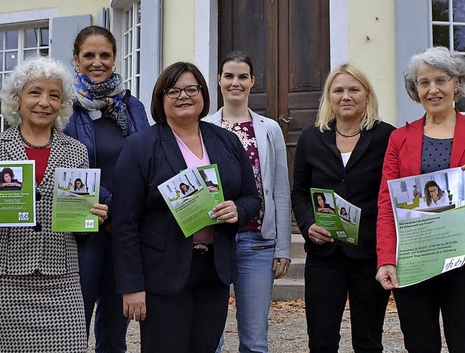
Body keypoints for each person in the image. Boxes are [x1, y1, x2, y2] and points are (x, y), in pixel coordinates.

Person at [112, 61, 261, 353]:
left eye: (191, 89)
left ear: (203, 94)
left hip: (213, 271)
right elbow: (124, 222)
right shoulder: (141, 146)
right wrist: (131, 285)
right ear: (160, 98)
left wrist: (237, 211)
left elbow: (251, 198)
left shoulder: (226, 141)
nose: (184, 96)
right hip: (162, 274)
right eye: (173, 90)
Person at [0, 57, 108, 352]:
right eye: (35, 92)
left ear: (62, 103)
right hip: (4, 281)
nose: (44, 102)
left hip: (62, 279)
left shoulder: (76, 151)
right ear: (17, 99)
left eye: (54, 95)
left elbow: (79, 229)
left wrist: (91, 218)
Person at [376, 46, 465, 352]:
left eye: (441, 80)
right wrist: (386, 258)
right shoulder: (400, 138)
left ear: (457, 83)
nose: (433, 89)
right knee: (420, 344)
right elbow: (387, 203)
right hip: (415, 260)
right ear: (415, 89)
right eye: (424, 82)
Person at [291, 63, 394, 352]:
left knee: (368, 340)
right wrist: (308, 224)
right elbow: (299, 192)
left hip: (369, 252)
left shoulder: (387, 137)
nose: (346, 96)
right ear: (329, 97)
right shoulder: (312, 137)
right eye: (338, 90)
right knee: (322, 340)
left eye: (354, 89)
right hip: (325, 256)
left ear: (367, 95)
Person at [64, 25, 149, 352]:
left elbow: (147, 160)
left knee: (115, 333)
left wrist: (123, 212)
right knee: (74, 326)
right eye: (89, 55)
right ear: (76, 59)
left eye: (105, 55)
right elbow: (67, 165)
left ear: (114, 59)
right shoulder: (65, 107)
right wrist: (110, 206)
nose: (97, 62)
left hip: (125, 232)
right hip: (81, 231)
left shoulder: (133, 107)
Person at [204, 50, 291, 353]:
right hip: (213, 241)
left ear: (253, 81)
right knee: (208, 337)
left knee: (255, 340)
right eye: (229, 75)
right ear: (219, 80)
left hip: (257, 243)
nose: (235, 82)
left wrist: (282, 247)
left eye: (242, 76)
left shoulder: (269, 129)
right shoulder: (205, 127)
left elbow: (280, 189)